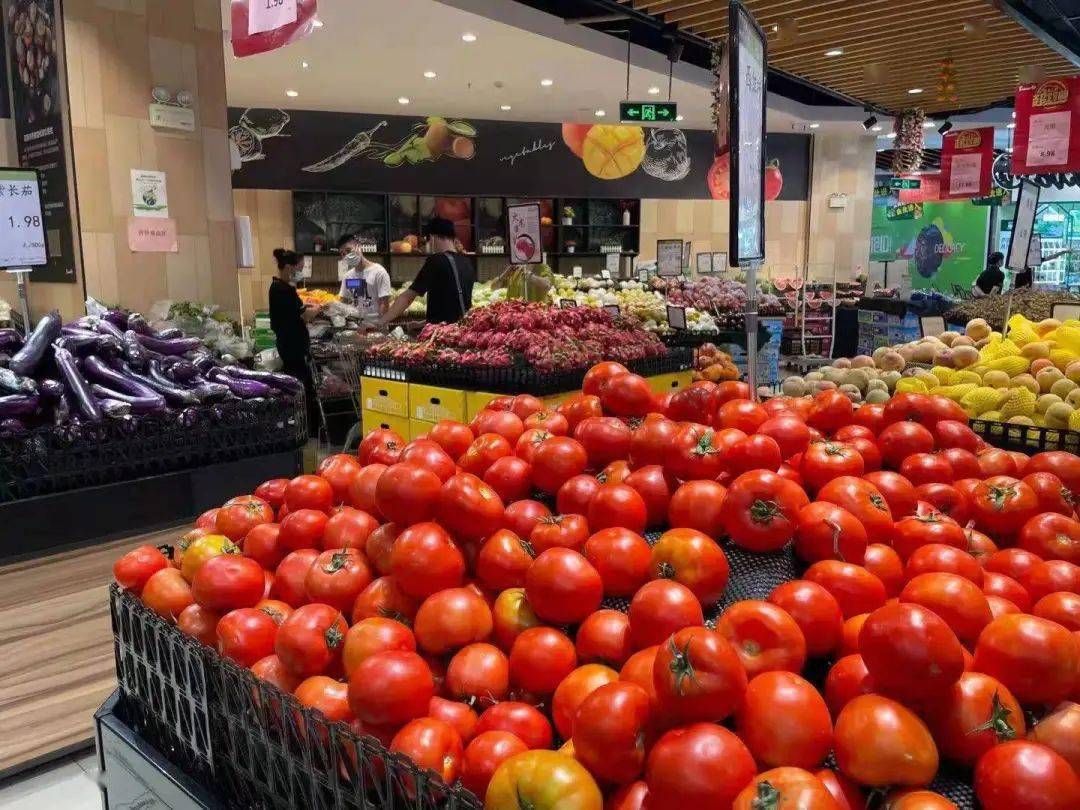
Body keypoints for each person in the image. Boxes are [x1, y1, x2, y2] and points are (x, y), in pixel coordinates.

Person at [379, 218, 475, 325]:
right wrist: (423, 324)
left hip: (442, 334)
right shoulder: (467, 262)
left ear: (433, 237)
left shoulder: (436, 261)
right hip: (462, 330)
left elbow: (407, 298)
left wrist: (380, 322)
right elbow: (452, 303)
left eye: (428, 239)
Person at [268, 248, 318, 428]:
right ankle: (307, 425)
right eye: (300, 268)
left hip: (288, 344)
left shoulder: (278, 288)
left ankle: (302, 423)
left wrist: (306, 307)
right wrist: (319, 309)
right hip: (293, 347)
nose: (301, 273)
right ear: (289, 267)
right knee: (300, 385)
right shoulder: (283, 290)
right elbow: (303, 316)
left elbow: (295, 312)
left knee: (298, 383)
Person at [336, 235, 391, 322]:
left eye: (348, 250)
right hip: (355, 326)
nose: (346, 255)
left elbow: (384, 304)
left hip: (375, 326)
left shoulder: (379, 272)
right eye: (343, 253)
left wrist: (379, 327)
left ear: (359, 247)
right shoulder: (347, 276)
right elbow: (343, 303)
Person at [491, 262, 556, 302]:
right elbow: (493, 287)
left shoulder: (542, 267)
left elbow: (547, 285)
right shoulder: (515, 269)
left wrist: (531, 276)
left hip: (535, 316)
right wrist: (504, 274)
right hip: (514, 315)